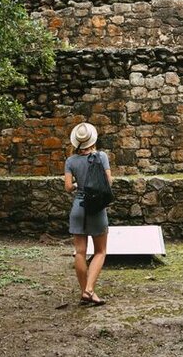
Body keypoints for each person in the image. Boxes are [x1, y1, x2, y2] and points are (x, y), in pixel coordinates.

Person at [64, 121, 112, 306]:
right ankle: (89, 290)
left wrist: (79, 184)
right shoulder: (101, 156)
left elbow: (68, 187)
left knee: (80, 252)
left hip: (78, 207)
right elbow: (108, 182)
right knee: (100, 251)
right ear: (93, 139)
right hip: (96, 208)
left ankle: (85, 292)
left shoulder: (71, 161)